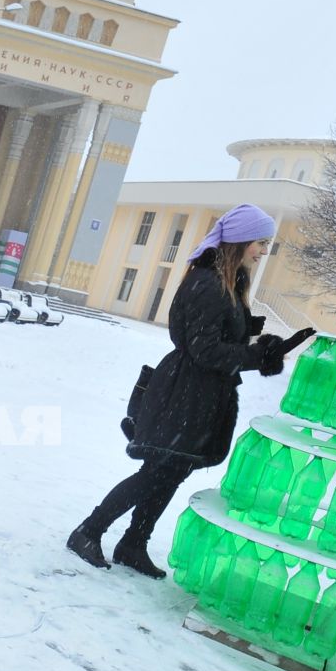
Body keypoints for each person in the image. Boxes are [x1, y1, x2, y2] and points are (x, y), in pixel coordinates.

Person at [68, 204, 304, 579]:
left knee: (171, 473)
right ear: (240, 241)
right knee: (155, 471)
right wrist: (258, 356)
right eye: (260, 242)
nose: (263, 251)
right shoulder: (207, 283)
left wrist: (256, 337)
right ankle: (88, 531)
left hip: (202, 395)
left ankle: (133, 544)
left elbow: (215, 336)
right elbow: (204, 349)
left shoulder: (226, 282)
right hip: (186, 394)